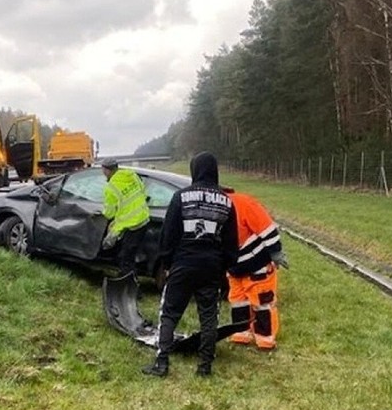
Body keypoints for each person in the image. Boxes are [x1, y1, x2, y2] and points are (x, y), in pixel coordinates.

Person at [142, 152, 238, 378]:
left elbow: (169, 233)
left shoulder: (181, 197)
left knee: (169, 313)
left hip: (183, 263)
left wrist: (167, 263)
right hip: (211, 268)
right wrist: (225, 268)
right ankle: (204, 367)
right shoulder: (226, 201)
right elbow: (231, 241)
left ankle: (162, 363)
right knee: (208, 318)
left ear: (194, 170)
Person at [224, 188, 288, 350]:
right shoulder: (220, 205)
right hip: (235, 267)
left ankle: (265, 338)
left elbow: (265, 227)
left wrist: (276, 252)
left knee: (262, 301)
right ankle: (241, 332)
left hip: (258, 263)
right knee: (238, 300)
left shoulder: (243, 203)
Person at [100, 158, 150, 277]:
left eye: (103, 171)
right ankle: (128, 281)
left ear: (107, 171)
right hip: (144, 219)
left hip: (131, 226)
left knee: (125, 259)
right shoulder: (132, 175)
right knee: (130, 255)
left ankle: (131, 290)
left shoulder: (111, 188)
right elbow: (143, 192)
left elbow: (109, 213)